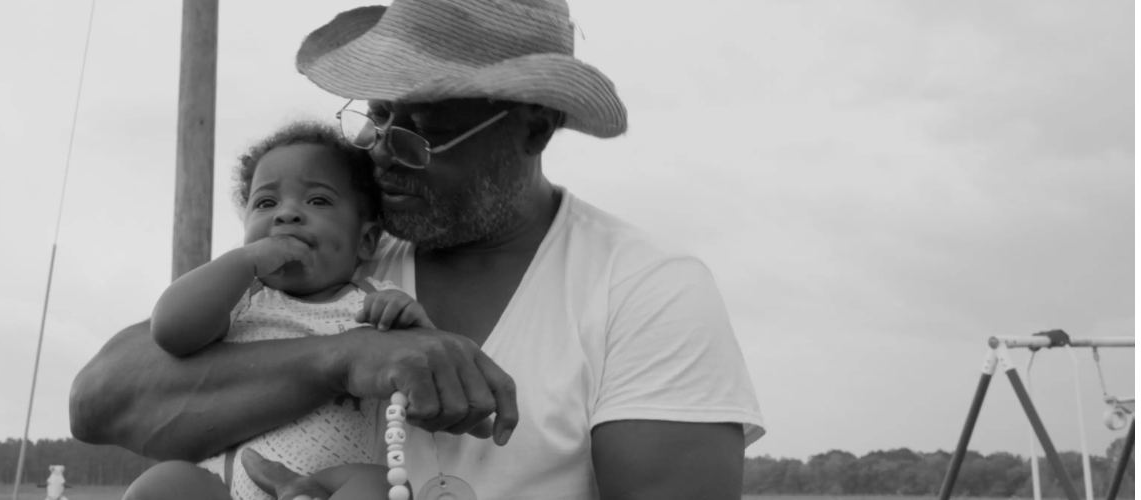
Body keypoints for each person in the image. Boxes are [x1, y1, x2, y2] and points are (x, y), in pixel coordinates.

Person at [72, 0, 766, 498]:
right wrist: (346, 357)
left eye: (422, 133)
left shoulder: (644, 289)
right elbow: (102, 401)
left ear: (535, 127)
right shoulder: (340, 249)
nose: (381, 157)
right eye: (377, 118)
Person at [145, 121, 431, 500]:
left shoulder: (373, 300)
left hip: (326, 483)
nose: (287, 214)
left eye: (318, 201)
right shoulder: (241, 298)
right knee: (160, 483)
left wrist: (405, 319)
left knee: (377, 485)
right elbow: (170, 329)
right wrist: (242, 262)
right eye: (266, 203)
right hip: (225, 485)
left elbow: (422, 364)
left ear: (365, 240)